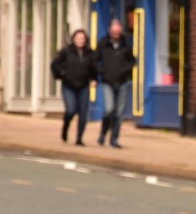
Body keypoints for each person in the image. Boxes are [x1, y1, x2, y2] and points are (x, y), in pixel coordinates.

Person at [93, 19, 136, 148]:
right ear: (109, 31)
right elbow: (94, 60)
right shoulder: (103, 44)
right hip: (107, 81)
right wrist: (101, 72)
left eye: (118, 32)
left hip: (122, 82)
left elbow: (132, 61)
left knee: (119, 113)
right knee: (108, 110)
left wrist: (126, 70)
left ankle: (114, 139)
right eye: (114, 31)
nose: (116, 34)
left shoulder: (125, 45)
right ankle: (103, 134)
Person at [51, 29, 95, 146]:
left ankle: (79, 138)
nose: (80, 40)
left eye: (82, 38)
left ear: (85, 40)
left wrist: (94, 79)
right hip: (69, 85)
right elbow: (55, 64)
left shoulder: (89, 53)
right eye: (78, 38)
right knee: (71, 110)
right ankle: (65, 127)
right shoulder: (66, 52)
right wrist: (62, 74)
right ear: (73, 39)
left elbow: (93, 68)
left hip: (84, 86)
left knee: (83, 113)